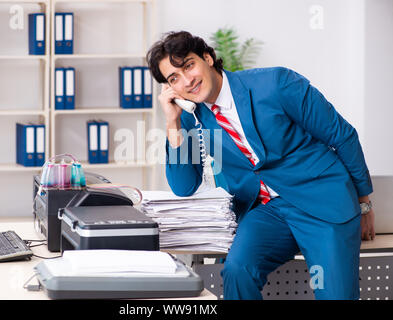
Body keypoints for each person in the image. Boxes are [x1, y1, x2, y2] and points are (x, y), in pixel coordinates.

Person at [146, 31, 375, 300]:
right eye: (174, 78)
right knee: (237, 270)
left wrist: (364, 202)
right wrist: (172, 122)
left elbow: (342, 136)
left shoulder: (276, 83)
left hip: (320, 202)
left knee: (334, 294)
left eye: (189, 65)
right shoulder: (191, 116)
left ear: (207, 58)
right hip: (267, 212)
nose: (187, 81)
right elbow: (184, 186)